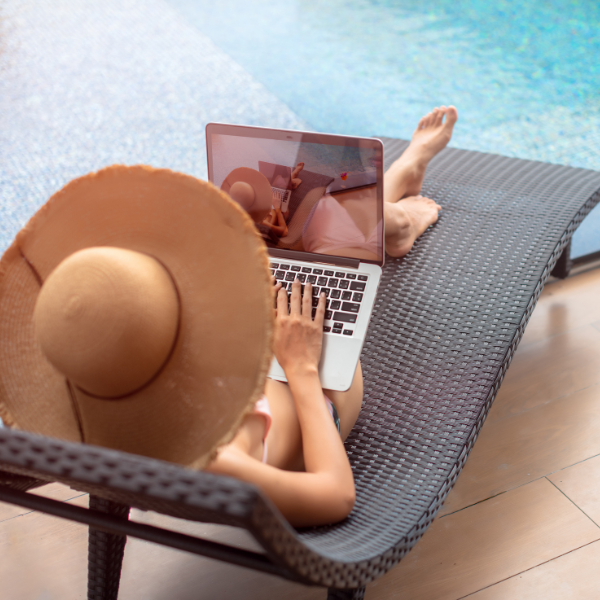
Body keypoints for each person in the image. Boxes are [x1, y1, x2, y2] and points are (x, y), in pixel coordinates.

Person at [206, 105, 458, 526]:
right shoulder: (216, 459)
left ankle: (394, 197)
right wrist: (301, 364)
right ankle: (400, 215)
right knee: (320, 223)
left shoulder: (119, 395)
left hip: (248, 348)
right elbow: (336, 496)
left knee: (283, 229)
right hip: (314, 388)